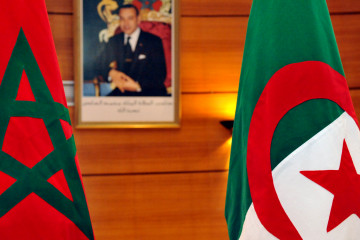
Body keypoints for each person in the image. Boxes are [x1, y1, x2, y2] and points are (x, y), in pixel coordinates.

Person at [95, 4, 167, 96]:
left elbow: (160, 74)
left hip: (149, 92)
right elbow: (97, 64)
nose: (126, 23)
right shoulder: (114, 41)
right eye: (122, 19)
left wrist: (138, 86)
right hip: (122, 92)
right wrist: (111, 73)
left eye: (130, 18)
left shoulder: (153, 41)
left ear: (138, 19)